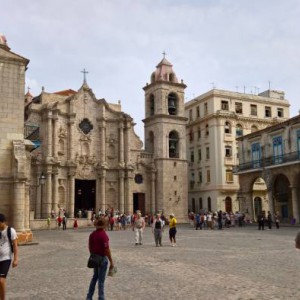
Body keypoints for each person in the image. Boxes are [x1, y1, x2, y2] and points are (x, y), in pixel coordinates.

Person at [86, 218, 114, 300]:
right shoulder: (103, 235)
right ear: (104, 226)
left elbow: (90, 247)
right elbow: (107, 250)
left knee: (94, 278)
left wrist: (93, 255)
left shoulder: (92, 234)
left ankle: (89, 297)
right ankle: (101, 298)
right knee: (101, 281)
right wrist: (111, 261)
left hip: (95, 259)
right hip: (102, 259)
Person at [0, 214, 18, 300]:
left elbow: (15, 245)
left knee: (1, 280)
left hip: (5, 258)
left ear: (3, 222)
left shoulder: (11, 231)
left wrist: (15, 259)